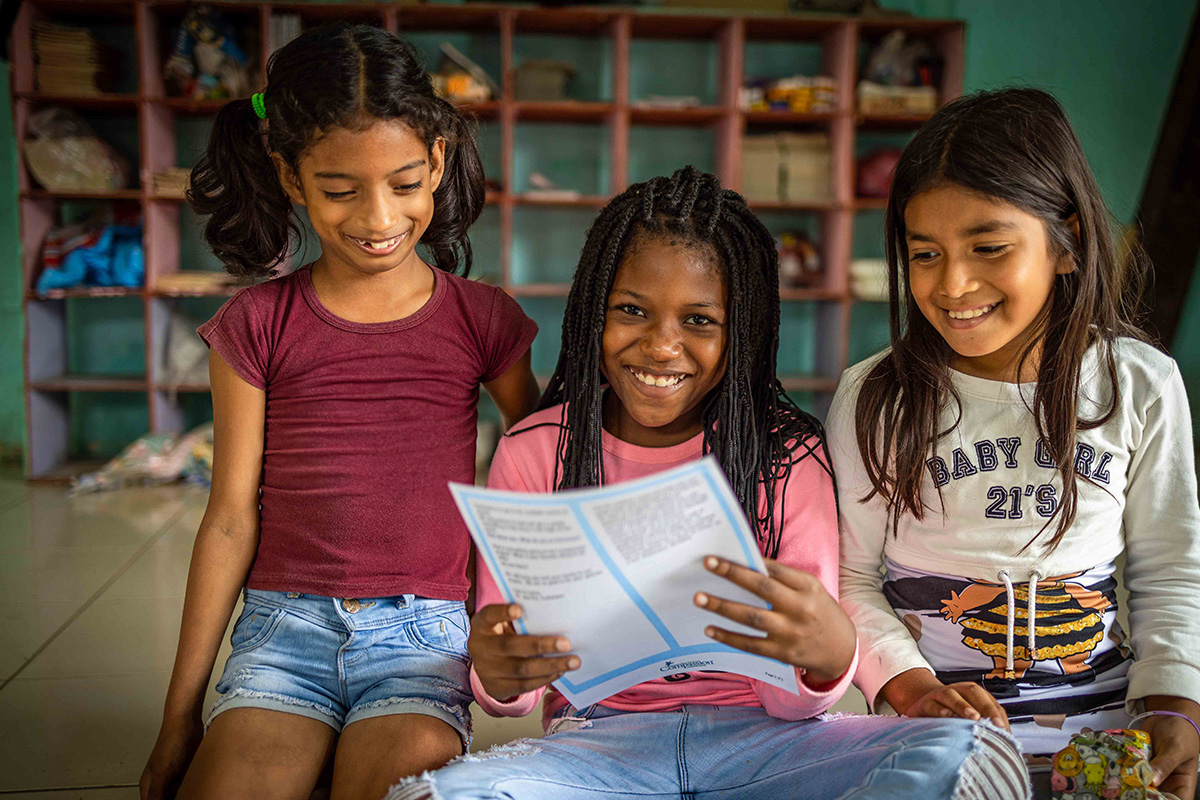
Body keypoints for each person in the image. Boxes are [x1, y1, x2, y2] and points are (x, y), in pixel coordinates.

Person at [388, 167, 1029, 800]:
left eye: (700, 322)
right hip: (598, 750)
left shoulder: (788, 457)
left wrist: (830, 657)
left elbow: (792, 700)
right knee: (432, 796)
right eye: (632, 311)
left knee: (973, 758)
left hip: (772, 745)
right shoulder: (534, 453)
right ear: (591, 315)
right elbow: (517, 692)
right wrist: (499, 674)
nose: (662, 347)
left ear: (741, 334)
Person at [139, 24, 540, 800]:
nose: (378, 218)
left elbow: (544, 466)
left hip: (423, 637)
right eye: (339, 190)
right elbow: (228, 518)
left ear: (438, 161)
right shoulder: (257, 323)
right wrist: (177, 718)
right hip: (282, 634)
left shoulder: (483, 319)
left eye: (402, 182)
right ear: (290, 177)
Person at [827, 88, 1200, 799]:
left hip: (1109, 738)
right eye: (924, 253)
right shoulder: (874, 397)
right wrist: (909, 690)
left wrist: (1174, 703)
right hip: (933, 743)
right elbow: (850, 579)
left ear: (1068, 244)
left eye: (988, 247)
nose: (953, 283)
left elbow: (1170, 572)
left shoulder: (1141, 385)